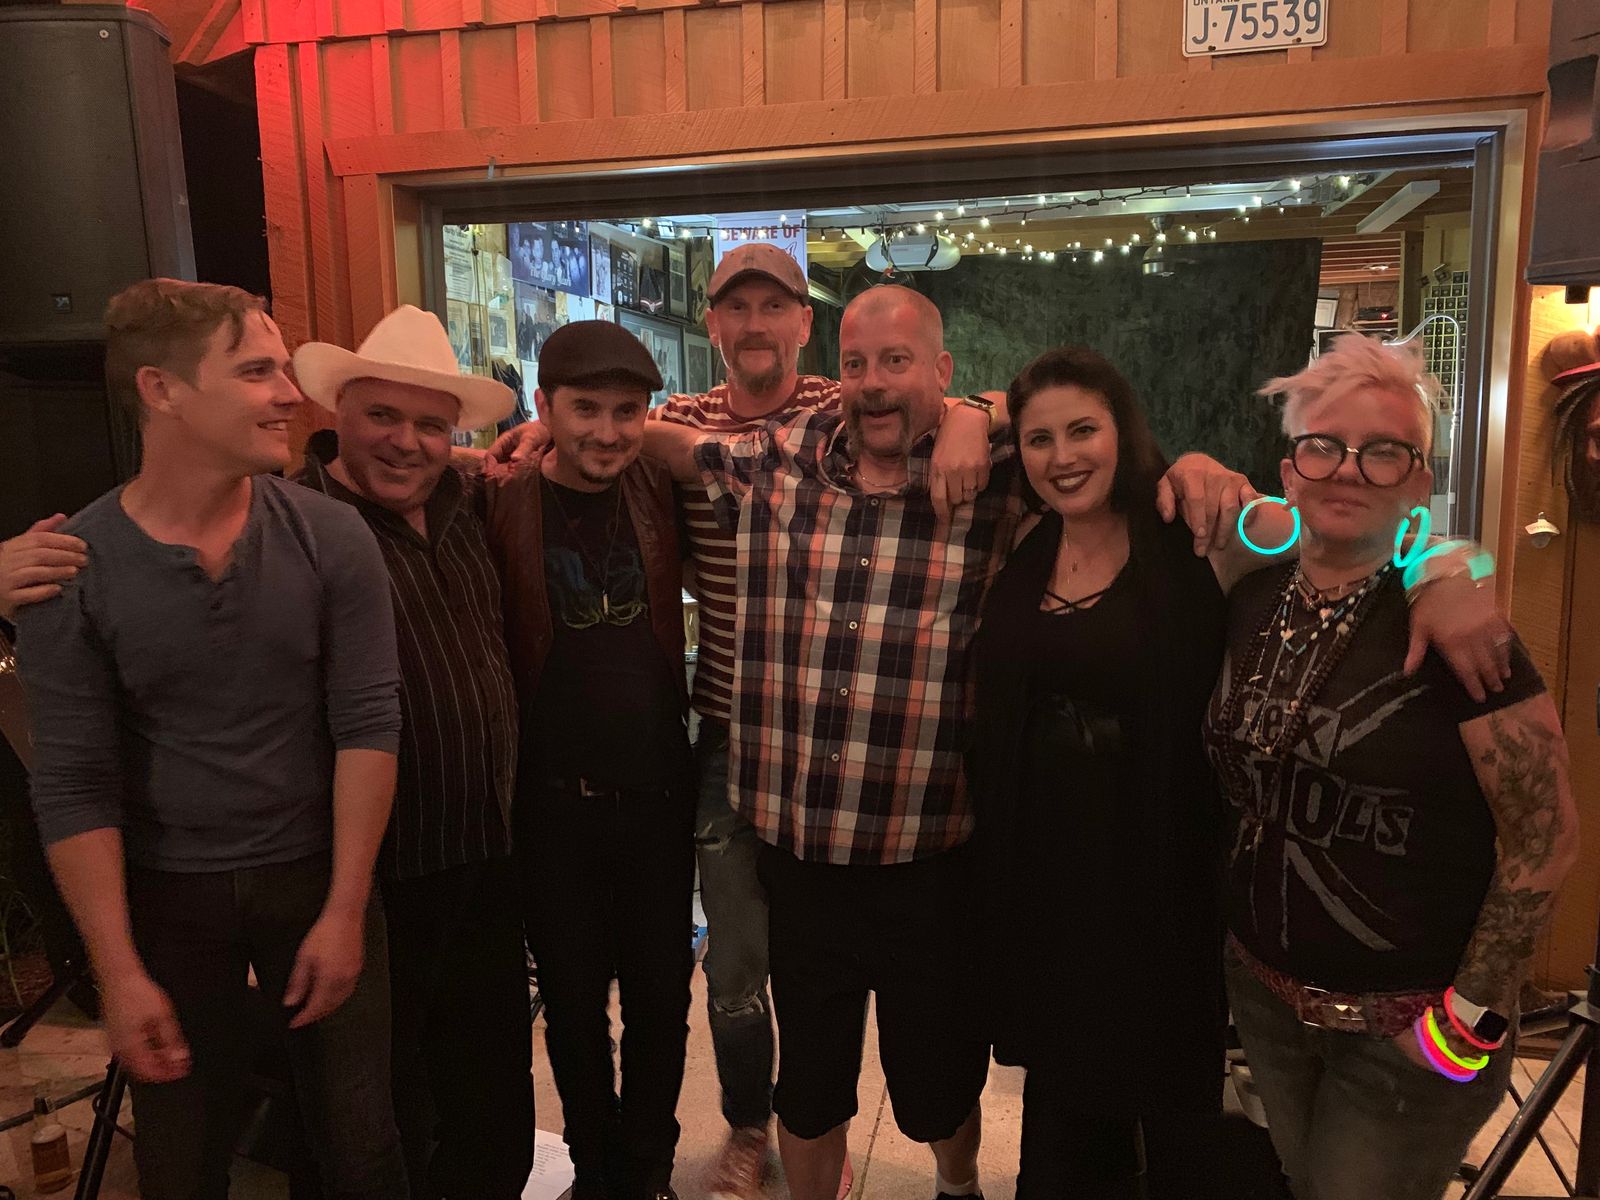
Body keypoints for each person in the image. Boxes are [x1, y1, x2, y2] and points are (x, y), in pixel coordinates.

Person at [643, 284, 1256, 1200]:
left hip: (934, 855)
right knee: (808, 1088)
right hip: (800, 855)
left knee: (938, 1086)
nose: (873, 383)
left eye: (897, 362)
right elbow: (664, 444)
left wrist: (1445, 561)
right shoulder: (780, 457)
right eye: (856, 363)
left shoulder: (1003, 476)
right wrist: (548, 438)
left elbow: (1064, 420)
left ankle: (956, 1189)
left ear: (942, 372)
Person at [490, 243, 994, 1200]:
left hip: (898, 783)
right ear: (713, 324)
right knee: (737, 970)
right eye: (736, 307)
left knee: (893, 1019)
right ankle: (750, 1128)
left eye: (776, 306)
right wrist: (533, 432)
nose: (755, 323)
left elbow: (1001, 409)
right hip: (740, 742)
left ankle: (915, 1156)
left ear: (806, 323)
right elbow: (615, 432)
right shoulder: (703, 427)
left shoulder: (851, 414)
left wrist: (975, 415)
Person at [966, 345, 1513, 1199]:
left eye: (1083, 430)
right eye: (1040, 439)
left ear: (1124, 432)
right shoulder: (1023, 540)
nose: (1062, 456)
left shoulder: (1201, 531)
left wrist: (1455, 569)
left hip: (1162, 887)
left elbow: (1356, 534)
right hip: (1047, 885)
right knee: (1065, 1114)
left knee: (1174, 1121)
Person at [12, 278, 408, 1199]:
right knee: (181, 1157)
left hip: (317, 871)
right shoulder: (68, 566)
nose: (290, 394)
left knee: (362, 1142)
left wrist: (346, 910)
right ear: (162, 389)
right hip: (170, 894)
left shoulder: (331, 535)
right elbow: (72, 782)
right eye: (257, 371)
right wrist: (118, 972)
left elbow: (367, 722)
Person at [1207, 334, 1579, 1200]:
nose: (1347, 469)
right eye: (1324, 446)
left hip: (1405, 1034)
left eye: (1383, 452)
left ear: (1418, 481)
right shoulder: (1248, 596)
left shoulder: (1464, 636)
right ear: (1290, 470)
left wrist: (1467, 1020)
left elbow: (1547, 838)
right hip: (1265, 1004)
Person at [289, 306, 535, 1200]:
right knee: (374, 1119)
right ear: (339, 412)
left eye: (431, 425)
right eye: (382, 416)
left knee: (493, 1103)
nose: (405, 442)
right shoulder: (291, 522)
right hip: (372, 880)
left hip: (485, 854)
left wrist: (518, 443)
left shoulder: (467, 504)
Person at [482, 320, 695, 1200]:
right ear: (543, 407)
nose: (608, 431)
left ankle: (647, 1171)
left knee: (662, 1002)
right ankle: (596, 1170)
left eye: (627, 411)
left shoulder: (659, 482)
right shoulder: (500, 502)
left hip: (658, 796)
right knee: (571, 1008)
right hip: (550, 805)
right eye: (585, 410)